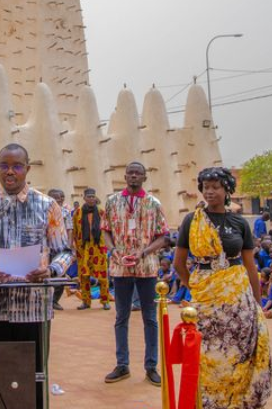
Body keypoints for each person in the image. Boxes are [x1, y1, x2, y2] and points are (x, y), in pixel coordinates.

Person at [0, 143, 72, 409]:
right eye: (4, 166)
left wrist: (51, 270)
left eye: (16, 166)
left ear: (28, 169)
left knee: (32, 375)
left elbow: (65, 252)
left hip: (33, 307)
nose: (10, 172)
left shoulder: (47, 206)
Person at [174, 166, 272, 409]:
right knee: (209, 353)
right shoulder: (191, 220)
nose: (209, 192)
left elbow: (251, 268)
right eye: (206, 187)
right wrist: (197, 288)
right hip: (207, 301)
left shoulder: (239, 222)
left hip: (239, 301)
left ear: (227, 190)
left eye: (215, 187)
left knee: (239, 353)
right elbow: (178, 263)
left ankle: (238, 402)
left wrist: (257, 305)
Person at [103, 161, 169, 386]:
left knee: (149, 317)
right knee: (121, 317)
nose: (133, 176)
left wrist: (145, 251)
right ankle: (122, 365)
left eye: (137, 173)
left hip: (147, 268)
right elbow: (106, 232)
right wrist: (113, 252)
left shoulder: (154, 203)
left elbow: (163, 236)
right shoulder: (112, 202)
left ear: (144, 177)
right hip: (120, 267)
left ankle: (151, 366)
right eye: (130, 173)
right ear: (124, 176)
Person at [73, 188, 111, 310]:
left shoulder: (101, 212)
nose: (91, 199)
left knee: (103, 276)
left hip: (98, 248)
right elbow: (75, 231)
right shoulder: (77, 213)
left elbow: (106, 230)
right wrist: (75, 247)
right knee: (84, 276)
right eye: (89, 196)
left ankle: (105, 300)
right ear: (84, 198)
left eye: (93, 196)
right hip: (83, 249)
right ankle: (86, 301)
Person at [48, 188, 73, 310]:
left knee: (61, 274)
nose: (61, 199)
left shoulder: (65, 212)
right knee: (44, 274)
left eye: (62, 197)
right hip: (46, 249)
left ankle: (55, 300)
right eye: (58, 197)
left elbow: (70, 229)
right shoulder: (43, 211)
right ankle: (46, 300)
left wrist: (69, 245)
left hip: (61, 249)